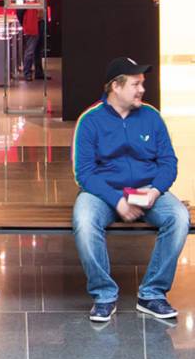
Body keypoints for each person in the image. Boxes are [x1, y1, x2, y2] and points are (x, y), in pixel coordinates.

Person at [72, 57, 189, 322]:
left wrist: (156, 191)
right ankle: (104, 295)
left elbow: (168, 162)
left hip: (147, 189)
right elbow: (84, 173)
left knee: (179, 217)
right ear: (116, 86)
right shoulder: (90, 120)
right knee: (84, 220)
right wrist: (117, 200)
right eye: (135, 84)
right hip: (102, 192)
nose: (142, 90)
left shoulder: (151, 116)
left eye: (142, 84)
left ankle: (152, 293)